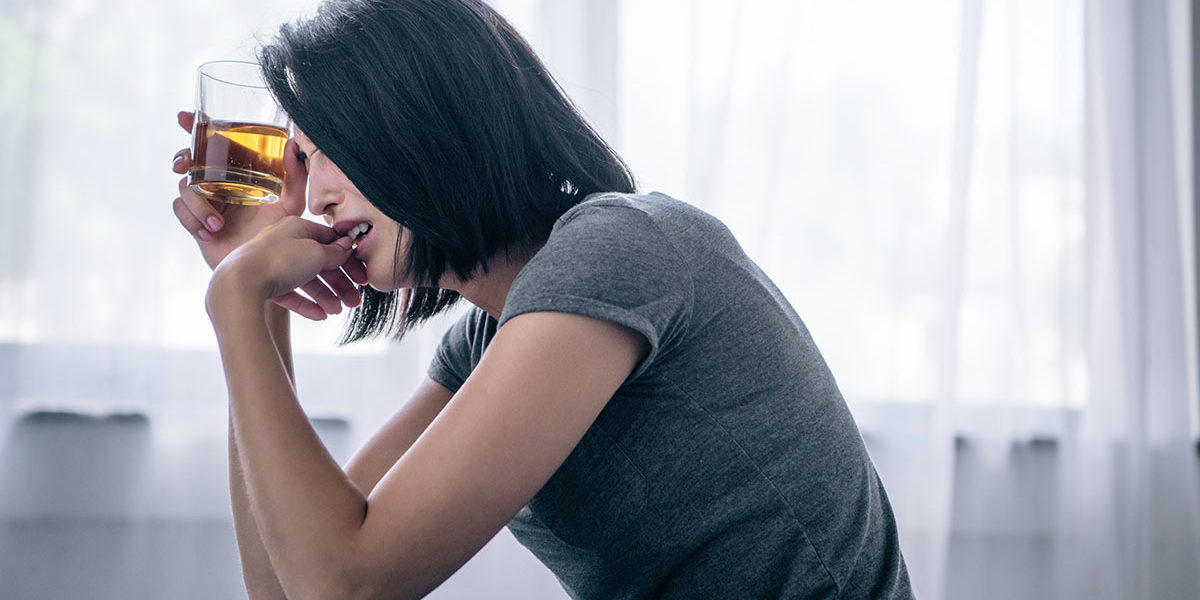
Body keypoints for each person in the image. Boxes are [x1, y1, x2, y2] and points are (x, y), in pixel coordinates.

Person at [170, 0, 914, 598]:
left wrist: (234, 302)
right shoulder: (490, 335)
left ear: (423, 126)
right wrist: (259, 297)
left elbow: (345, 587)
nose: (318, 194)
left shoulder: (616, 250)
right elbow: (288, 583)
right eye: (303, 158)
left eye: (333, 150)